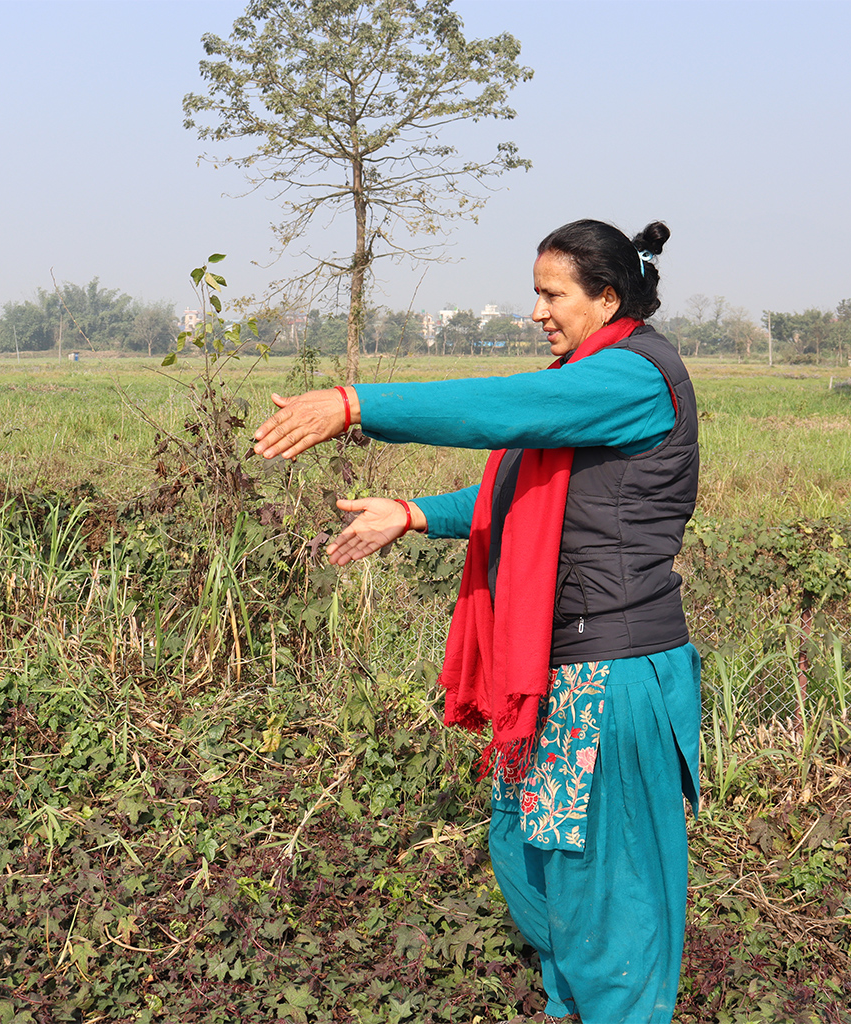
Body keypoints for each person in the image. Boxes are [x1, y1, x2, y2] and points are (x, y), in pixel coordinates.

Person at [252, 219, 701, 1024]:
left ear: (607, 296)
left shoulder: (631, 378)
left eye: (551, 294)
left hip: (614, 672)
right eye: (537, 292)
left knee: (608, 902)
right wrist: (413, 513)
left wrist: (357, 405)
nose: (538, 312)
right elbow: (523, 500)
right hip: (559, 675)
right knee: (539, 869)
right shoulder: (591, 378)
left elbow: (506, 408)